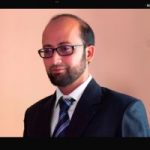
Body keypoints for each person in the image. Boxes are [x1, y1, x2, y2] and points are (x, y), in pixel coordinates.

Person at [23, 13, 150, 137]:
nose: (55, 60)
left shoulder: (124, 110)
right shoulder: (33, 114)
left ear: (88, 53)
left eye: (66, 48)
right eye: (48, 50)